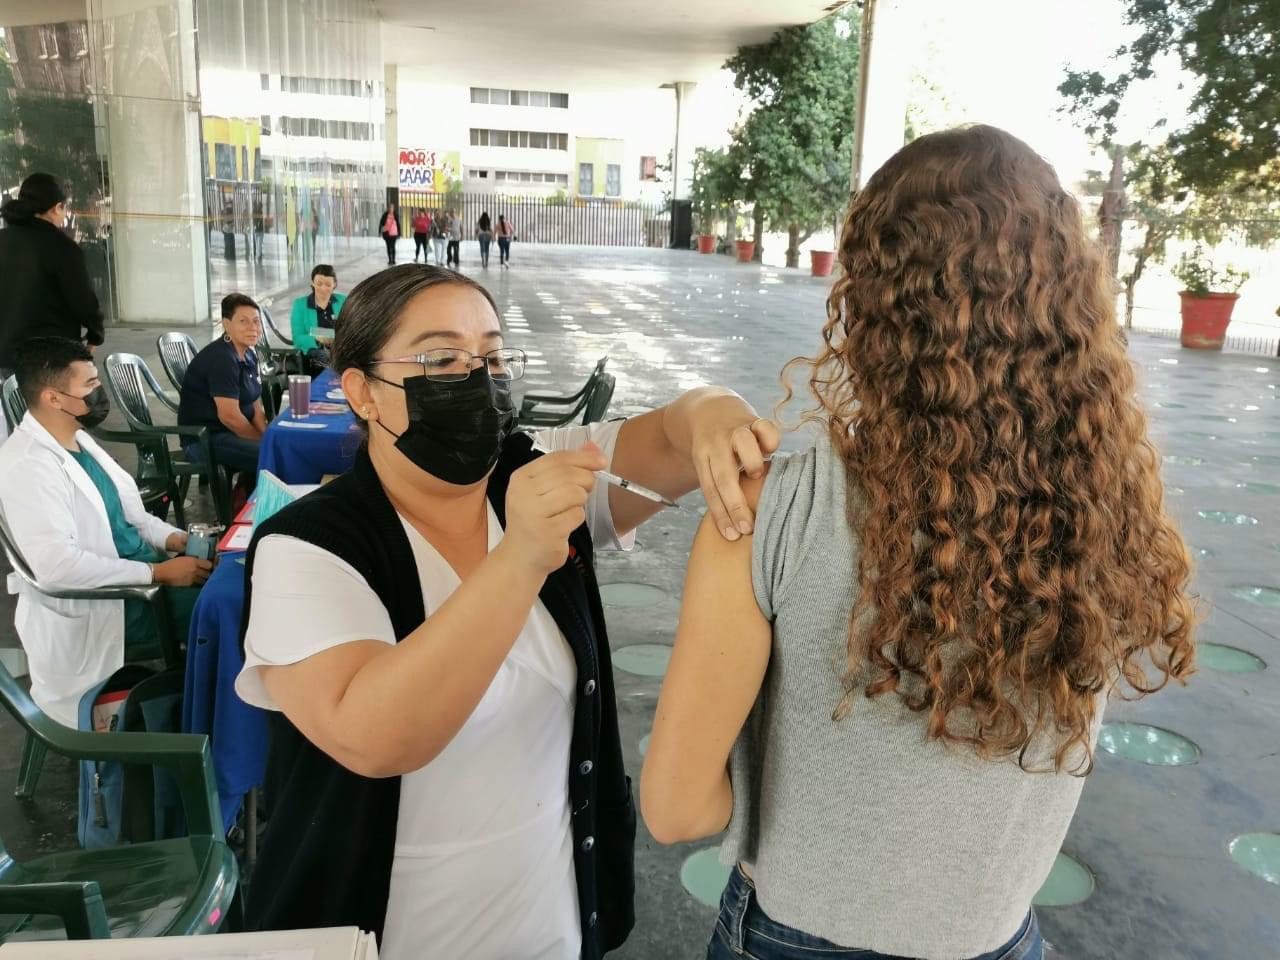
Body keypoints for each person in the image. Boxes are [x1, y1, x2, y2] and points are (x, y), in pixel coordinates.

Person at [641, 126, 1196, 960]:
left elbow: (676, 807)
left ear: (871, 302)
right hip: (1001, 938)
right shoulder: (1110, 508)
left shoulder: (780, 505)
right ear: (1070, 304)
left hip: (800, 938)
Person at [234, 264, 779, 959]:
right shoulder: (308, 547)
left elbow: (675, 439)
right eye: (440, 358)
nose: (475, 377)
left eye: (490, 357)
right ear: (363, 392)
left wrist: (713, 411)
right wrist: (520, 558)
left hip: (547, 924)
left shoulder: (533, 474)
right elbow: (376, 735)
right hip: (386, 933)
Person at [0, 338, 212, 726]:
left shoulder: (77, 438)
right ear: (53, 397)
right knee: (224, 610)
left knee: (233, 578)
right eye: (90, 385)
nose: (100, 393)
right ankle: (212, 725)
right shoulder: (28, 467)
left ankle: (206, 709)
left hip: (142, 578)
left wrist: (172, 539)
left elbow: (130, 514)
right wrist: (157, 573)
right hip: (117, 603)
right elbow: (57, 567)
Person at [0, 173, 105, 376]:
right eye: (64, 209)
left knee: (16, 408)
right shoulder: (62, 247)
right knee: (56, 407)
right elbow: (83, 301)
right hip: (52, 358)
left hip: (5, 357)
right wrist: (95, 335)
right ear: (57, 207)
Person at [178, 293, 266, 481]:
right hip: (205, 439)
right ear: (226, 325)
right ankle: (257, 507)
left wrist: (265, 435)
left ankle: (247, 497)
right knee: (273, 457)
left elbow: (254, 402)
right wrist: (261, 442)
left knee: (275, 448)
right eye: (243, 321)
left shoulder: (248, 354)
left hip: (230, 435)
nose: (253, 328)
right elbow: (230, 417)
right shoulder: (222, 358)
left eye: (256, 321)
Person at [290, 264, 346, 373]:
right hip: (313, 352)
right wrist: (316, 338)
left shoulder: (342, 301)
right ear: (312, 283)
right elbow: (297, 338)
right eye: (319, 284)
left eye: (328, 284)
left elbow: (351, 328)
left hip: (339, 349)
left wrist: (333, 337)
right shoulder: (300, 305)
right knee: (325, 358)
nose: (323, 289)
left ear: (334, 284)